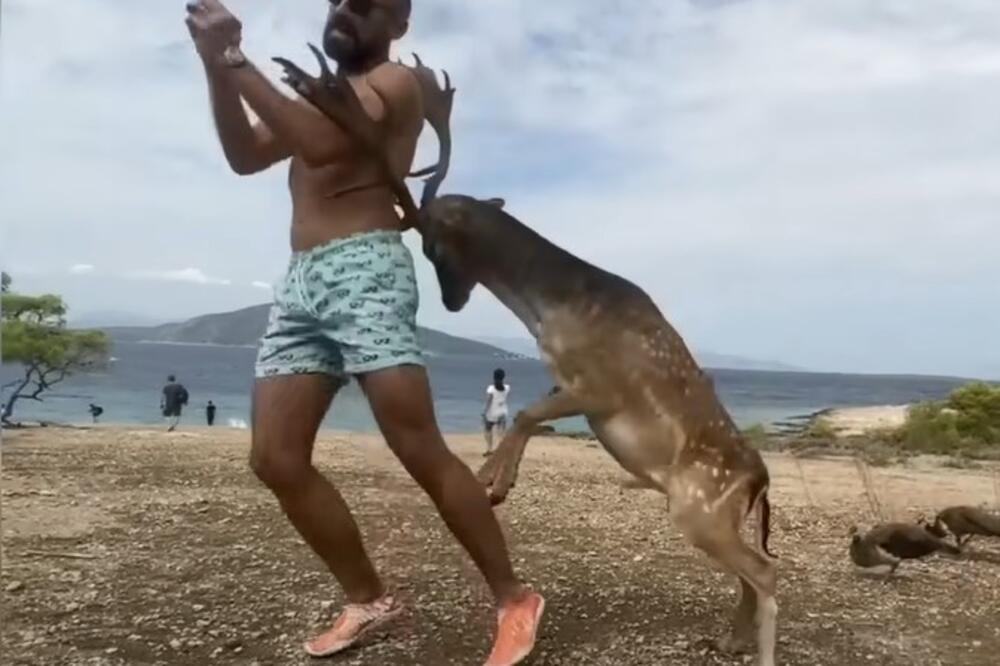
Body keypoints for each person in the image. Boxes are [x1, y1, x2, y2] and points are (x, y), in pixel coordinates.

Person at [184, 1, 544, 664]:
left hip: (367, 269)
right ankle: (368, 597)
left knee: (417, 447)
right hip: (301, 281)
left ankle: (513, 597)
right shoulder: (317, 97)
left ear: (396, 26)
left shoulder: (392, 85)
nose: (347, 8)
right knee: (276, 459)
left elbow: (323, 145)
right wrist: (214, 65)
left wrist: (236, 58)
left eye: (368, 4)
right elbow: (243, 155)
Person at [482, 368, 511, 456]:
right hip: (503, 411)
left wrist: (484, 412)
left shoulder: (491, 388)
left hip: (492, 412)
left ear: (494, 377)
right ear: (503, 377)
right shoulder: (507, 387)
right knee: (501, 432)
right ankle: (502, 450)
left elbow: (489, 401)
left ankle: (489, 449)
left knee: (488, 430)